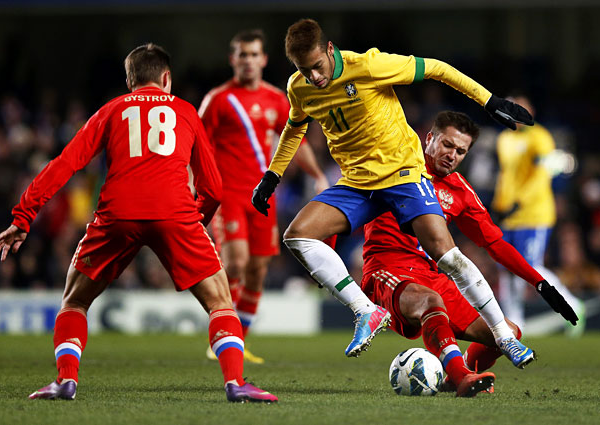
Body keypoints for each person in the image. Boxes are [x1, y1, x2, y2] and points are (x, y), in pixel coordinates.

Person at [0, 43, 277, 403]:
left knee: (74, 302)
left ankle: (65, 381)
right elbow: (213, 188)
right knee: (220, 302)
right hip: (175, 213)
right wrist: (194, 222)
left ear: (130, 81)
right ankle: (235, 382)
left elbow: (66, 163)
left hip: (117, 215)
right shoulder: (186, 111)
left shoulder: (112, 109)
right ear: (166, 78)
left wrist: (23, 216)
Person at [252, 18, 534, 359]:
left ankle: (503, 336)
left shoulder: (368, 66)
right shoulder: (299, 87)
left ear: (329, 49)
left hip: (401, 174)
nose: (314, 76)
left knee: (448, 255)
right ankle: (365, 311)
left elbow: (438, 68)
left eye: (317, 66)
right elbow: (294, 127)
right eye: (303, 70)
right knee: (297, 235)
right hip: (358, 182)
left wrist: (488, 101)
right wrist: (272, 175)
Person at [361, 111, 579, 396]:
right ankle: (461, 376)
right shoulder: (397, 165)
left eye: (460, 151)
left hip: (432, 278)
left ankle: (457, 377)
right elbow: (346, 196)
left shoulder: (459, 191)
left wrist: (540, 283)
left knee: (508, 333)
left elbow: (495, 244)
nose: (452, 155)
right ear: (430, 138)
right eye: (447, 145)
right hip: (387, 269)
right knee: (431, 301)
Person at [199, 29, 329, 363]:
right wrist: (191, 186)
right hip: (227, 196)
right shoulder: (218, 99)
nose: (249, 60)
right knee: (237, 262)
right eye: (243, 54)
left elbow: (296, 141)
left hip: (260, 197)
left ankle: (237, 341)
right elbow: (195, 145)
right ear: (233, 59)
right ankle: (221, 331)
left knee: (258, 270)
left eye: (254, 54)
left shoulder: (275, 99)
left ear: (264, 59)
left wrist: (317, 175)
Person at [492, 95, 584, 333]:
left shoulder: (540, 137)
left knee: (532, 266)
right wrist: (499, 204)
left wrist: (519, 202)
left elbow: (543, 174)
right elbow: (506, 175)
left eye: (519, 109)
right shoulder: (504, 139)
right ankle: (515, 322)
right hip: (509, 215)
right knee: (507, 269)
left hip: (533, 214)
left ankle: (573, 305)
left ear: (529, 111)